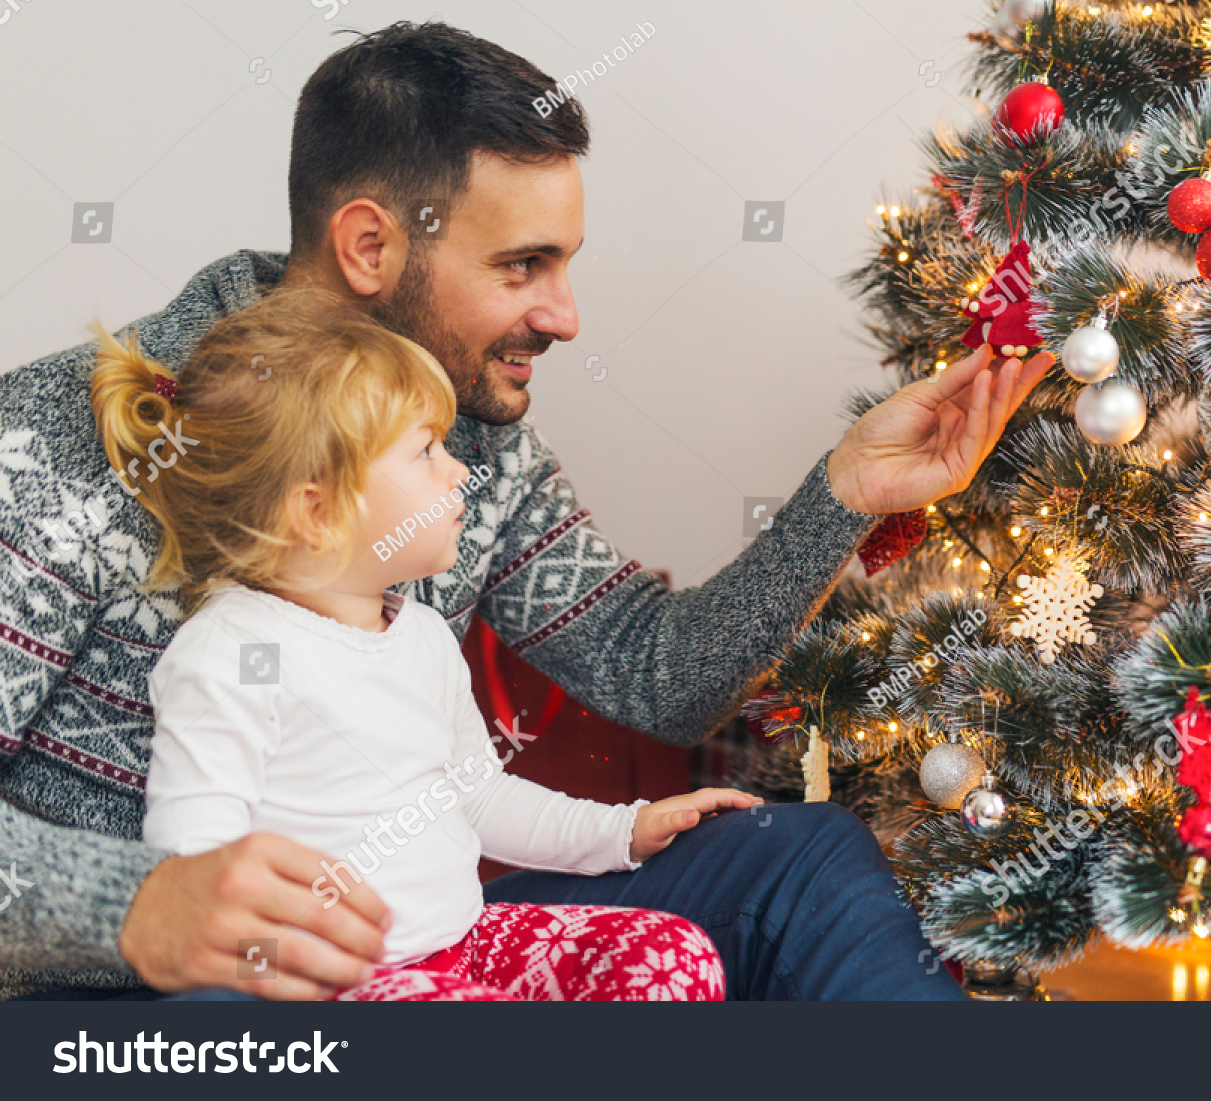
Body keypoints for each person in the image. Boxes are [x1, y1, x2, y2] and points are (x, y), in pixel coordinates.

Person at [0, 20, 1052, 1001]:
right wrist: (135, 903)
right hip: (140, 997)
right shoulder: (52, 443)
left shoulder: (474, 440)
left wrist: (843, 497)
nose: (563, 314)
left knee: (801, 860)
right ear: (371, 247)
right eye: (521, 266)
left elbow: (662, 674)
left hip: (417, 949)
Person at [90, 286, 746, 1001]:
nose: (459, 471)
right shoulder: (232, 652)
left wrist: (624, 830)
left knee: (675, 956)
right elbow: (193, 865)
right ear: (319, 511)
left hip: (464, 945)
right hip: (341, 989)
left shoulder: (423, 633)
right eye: (426, 451)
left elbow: (480, 796)